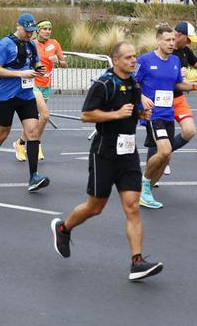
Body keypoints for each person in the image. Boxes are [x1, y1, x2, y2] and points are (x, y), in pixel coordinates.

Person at [50, 41, 163, 281]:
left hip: (128, 152)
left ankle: (137, 262)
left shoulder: (133, 83)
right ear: (115, 60)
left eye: (134, 57)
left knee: (132, 207)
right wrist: (115, 114)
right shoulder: (104, 84)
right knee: (95, 207)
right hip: (105, 152)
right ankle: (64, 229)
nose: (134, 61)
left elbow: (132, 112)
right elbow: (85, 115)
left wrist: (141, 113)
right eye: (128, 57)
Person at [134, 23, 197, 209]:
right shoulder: (145, 60)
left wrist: (194, 86)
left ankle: (146, 192)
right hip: (153, 113)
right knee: (165, 151)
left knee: (166, 157)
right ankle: (143, 184)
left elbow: (177, 85)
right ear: (158, 41)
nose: (171, 43)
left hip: (168, 112)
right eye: (167, 40)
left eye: (173, 40)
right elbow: (132, 82)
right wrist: (142, 97)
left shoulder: (175, 61)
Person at [0, 13, 50, 192]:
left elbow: (35, 63)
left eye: (32, 31)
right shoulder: (5, 44)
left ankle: (34, 177)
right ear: (17, 26)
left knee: (33, 132)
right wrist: (21, 74)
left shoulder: (31, 44)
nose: (29, 34)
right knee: (2, 134)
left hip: (26, 95)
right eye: (26, 31)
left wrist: (38, 69)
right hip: (7, 96)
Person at [147, 21, 197, 176]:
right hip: (161, 99)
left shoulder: (185, 51)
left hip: (177, 98)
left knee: (190, 131)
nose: (189, 43)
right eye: (188, 39)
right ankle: (156, 166)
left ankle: (164, 155)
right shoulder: (164, 53)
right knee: (157, 137)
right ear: (178, 35)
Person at [13, 20, 66, 161]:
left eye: (50, 29)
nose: (48, 31)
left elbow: (64, 64)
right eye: (44, 29)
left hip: (46, 85)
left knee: (34, 121)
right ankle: (37, 144)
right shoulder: (32, 43)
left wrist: (59, 61)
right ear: (38, 30)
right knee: (45, 115)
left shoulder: (54, 44)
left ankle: (21, 142)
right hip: (33, 84)